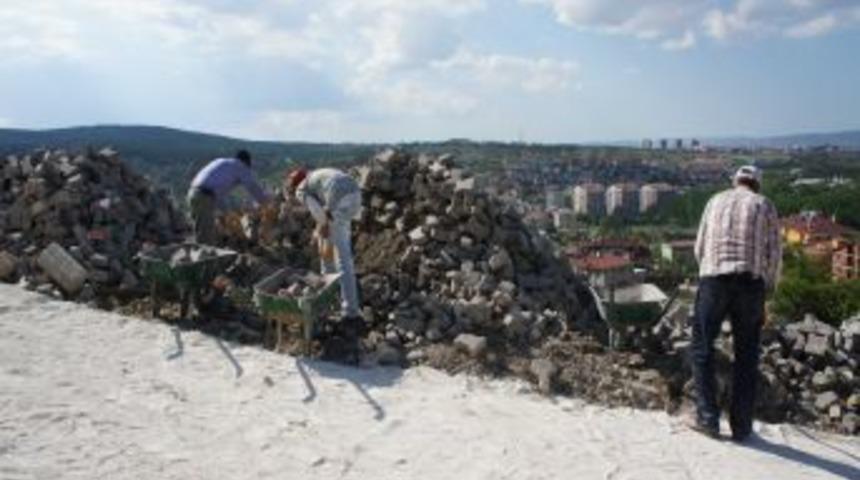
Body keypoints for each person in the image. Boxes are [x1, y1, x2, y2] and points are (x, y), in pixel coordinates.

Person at [690, 165, 782, 441]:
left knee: (702, 348)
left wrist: (709, 271)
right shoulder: (764, 205)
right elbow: (774, 254)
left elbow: (699, 247)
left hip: (714, 280)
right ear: (757, 184)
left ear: (735, 182)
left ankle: (708, 419)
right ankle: (741, 427)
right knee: (746, 355)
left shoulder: (714, 201)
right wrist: (767, 289)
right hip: (749, 284)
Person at [285, 167, 365, 343]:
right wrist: (322, 228)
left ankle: (350, 311)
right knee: (335, 255)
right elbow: (325, 210)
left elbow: (318, 212)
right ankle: (331, 297)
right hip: (355, 196)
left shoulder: (302, 189)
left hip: (339, 201)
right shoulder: (318, 177)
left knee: (340, 260)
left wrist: (321, 227)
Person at [187, 150, 270, 244]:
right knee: (206, 233)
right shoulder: (240, 166)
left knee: (200, 229)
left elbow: (218, 194)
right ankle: (208, 256)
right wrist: (266, 202)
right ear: (246, 161)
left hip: (193, 193)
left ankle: (201, 253)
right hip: (204, 196)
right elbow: (252, 187)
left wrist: (227, 212)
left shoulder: (222, 162)